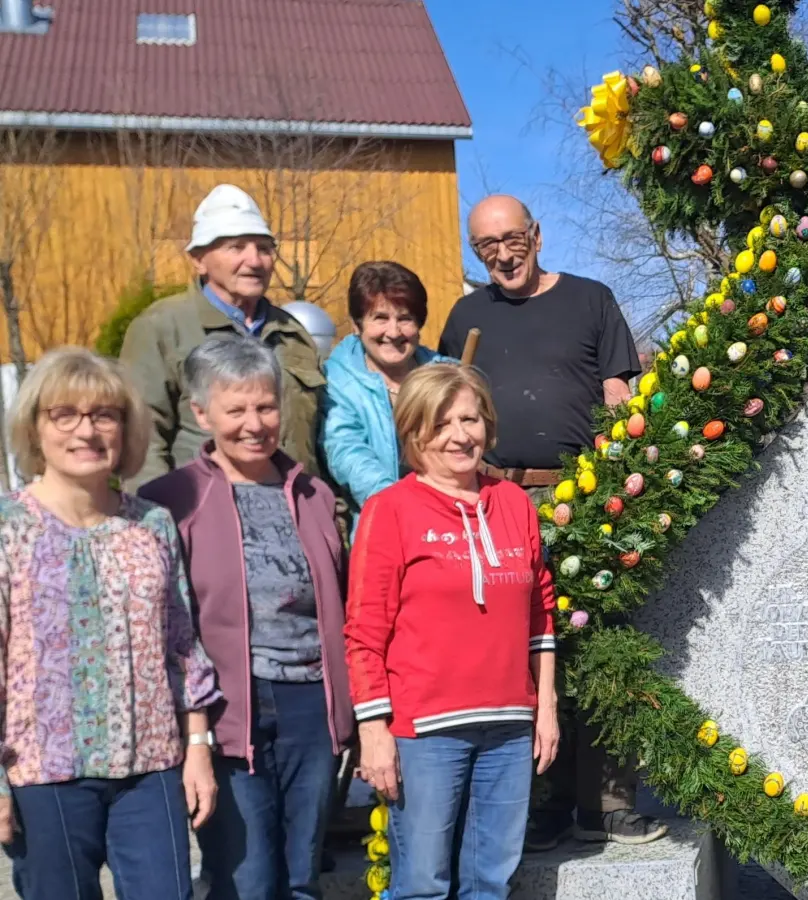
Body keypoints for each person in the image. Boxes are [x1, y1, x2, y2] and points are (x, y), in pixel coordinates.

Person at [438, 195, 663, 849]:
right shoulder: (466, 318)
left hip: (584, 497)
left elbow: (622, 401)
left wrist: (619, 493)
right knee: (519, 651)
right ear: (475, 252)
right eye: (486, 245)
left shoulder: (590, 301)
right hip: (497, 502)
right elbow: (449, 408)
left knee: (598, 647)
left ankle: (609, 803)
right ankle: (541, 803)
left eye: (512, 238)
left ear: (536, 235)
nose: (502, 253)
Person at [0, 348, 222, 899]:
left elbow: (182, 644)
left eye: (104, 415)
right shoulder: (8, 529)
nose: (87, 430)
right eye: (65, 414)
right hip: (44, 773)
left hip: (149, 768)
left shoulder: (150, 524)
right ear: (35, 428)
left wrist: (198, 749)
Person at [138, 335, 353, 900]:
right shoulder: (171, 499)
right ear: (202, 414)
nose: (254, 423)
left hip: (313, 701)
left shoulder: (313, 494)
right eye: (236, 409)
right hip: (231, 706)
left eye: (266, 406)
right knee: (246, 877)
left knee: (303, 874)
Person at [344, 364, 559, 900]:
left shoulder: (513, 504)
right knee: (422, 884)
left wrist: (546, 707)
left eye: (471, 419)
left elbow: (541, 612)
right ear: (414, 430)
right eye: (442, 423)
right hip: (427, 732)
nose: (461, 435)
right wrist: (373, 731)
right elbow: (364, 632)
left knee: (492, 881)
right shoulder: (389, 510)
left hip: (509, 727)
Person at [120, 184, 325, 488]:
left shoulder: (292, 333)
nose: (254, 261)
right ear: (199, 260)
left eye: (264, 248)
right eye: (236, 247)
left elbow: (317, 442)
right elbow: (141, 440)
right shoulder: (161, 328)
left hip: (290, 511)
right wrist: (157, 520)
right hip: (200, 515)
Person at [324, 261, 451, 524]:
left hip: (449, 518)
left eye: (405, 319)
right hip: (383, 521)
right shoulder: (337, 380)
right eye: (380, 318)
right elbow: (346, 450)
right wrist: (397, 505)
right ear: (357, 325)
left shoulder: (446, 375)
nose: (393, 332)